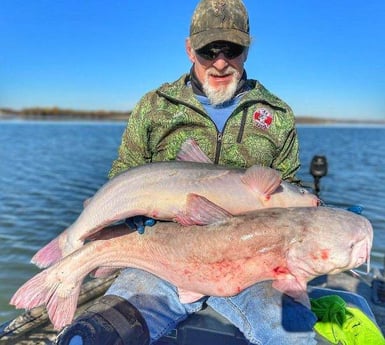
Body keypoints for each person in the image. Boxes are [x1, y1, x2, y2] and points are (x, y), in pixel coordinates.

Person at [56, 0, 321, 344]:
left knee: (293, 333)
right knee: (93, 336)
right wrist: (128, 218)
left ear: (247, 48)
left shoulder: (276, 113)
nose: (221, 61)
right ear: (189, 48)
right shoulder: (155, 105)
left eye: (232, 48)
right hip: (162, 257)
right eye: (208, 50)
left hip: (252, 263)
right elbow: (124, 172)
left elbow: (290, 184)